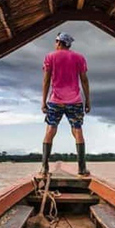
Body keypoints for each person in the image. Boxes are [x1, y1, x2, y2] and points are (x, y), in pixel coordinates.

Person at [41, 32, 90, 176]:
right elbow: (84, 80)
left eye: (56, 41)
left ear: (58, 42)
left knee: (50, 129)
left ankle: (44, 168)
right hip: (74, 100)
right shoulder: (79, 58)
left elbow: (46, 81)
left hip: (55, 100)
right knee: (77, 130)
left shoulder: (50, 57)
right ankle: (81, 168)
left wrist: (44, 101)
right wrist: (88, 100)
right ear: (68, 44)